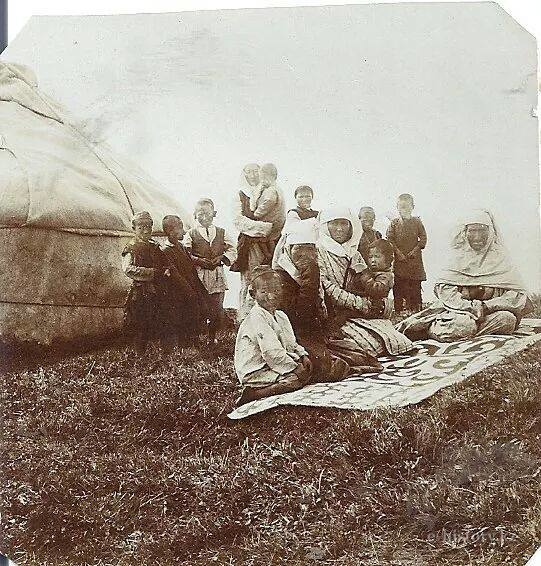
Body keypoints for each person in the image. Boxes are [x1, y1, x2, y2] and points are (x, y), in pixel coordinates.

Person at [397, 210, 533, 342]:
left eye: (482, 230)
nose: (477, 237)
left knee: (507, 320)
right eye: (472, 231)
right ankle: (433, 329)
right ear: (465, 232)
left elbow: (516, 296)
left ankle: (464, 333)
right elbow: (445, 291)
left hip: (489, 313)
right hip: (456, 312)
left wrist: (487, 306)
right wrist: (469, 307)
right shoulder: (457, 257)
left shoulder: (501, 258)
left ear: (490, 232)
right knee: (464, 325)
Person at [318, 206, 414, 369]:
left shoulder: (353, 252)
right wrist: (362, 304)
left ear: (351, 226)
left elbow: (367, 278)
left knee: (391, 339)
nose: (339, 229)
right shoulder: (319, 251)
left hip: (356, 311)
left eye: (344, 223)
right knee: (359, 344)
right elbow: (328, 287)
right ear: (326, 226)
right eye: (334, 223)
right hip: (335, 310)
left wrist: (376, 302)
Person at [234, 266, 313, 406]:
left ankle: (279, 379)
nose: (271, 296)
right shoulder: (257, 316)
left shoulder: (281, 315)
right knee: (294, 380)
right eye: (264, 291)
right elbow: (270, 351)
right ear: (253, 294)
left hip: (272, 364)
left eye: (276, 290)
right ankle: (254, 394)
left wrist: (302, 355)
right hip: (255, 369)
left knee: (308, 372)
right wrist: (294, 368)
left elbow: (291, 343)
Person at [232, 163, 286, 321]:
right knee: (251, 279)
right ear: (244, 175)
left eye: (256, 171)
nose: (253, 175)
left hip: (271, 242)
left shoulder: (270, 191)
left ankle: (270, 317)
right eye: (249, 172)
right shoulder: (241, 195)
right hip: (251, 243)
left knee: (271, 278)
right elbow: (238, 220)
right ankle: (247, 319)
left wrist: (273, 229)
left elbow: (279, 214)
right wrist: (265, 227)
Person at [272, 185, 324, 335]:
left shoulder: (317, 213)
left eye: (307, 196)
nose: (304, 199)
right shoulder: (293, 213)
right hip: (296, 246)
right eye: (301, 196)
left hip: (313, 246)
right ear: (296, 198)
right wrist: (313, 225)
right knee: (297, 280)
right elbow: (295, 229)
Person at [184, 198, 237, 344]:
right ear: (195, 215)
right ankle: (196, 336)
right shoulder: (191, 233)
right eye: (200, 214)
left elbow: (233, 249)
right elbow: (185, 253)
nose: (204, 217)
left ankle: (212, 337)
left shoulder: (221, 232)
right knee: (199, 304)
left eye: (207, 213)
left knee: (217, 305)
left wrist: (222, 257)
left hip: (217, 274)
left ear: (214, 213)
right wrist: (198, 260)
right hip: (199, 274)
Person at [121, 211, 170, 350]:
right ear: (134, 229)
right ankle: (140, 352)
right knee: (140, 321)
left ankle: (159, 350)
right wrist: (151, 273)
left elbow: (164, 262)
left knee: (158, 318)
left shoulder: (155, 246)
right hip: (141, 290)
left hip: (157, 288)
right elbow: (128, 268)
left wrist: (166, 270)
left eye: (148, 227)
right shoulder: (131, 247)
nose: (146, 230)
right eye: (141, 227)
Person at [161, 215, 209, 345]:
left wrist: (197, 286)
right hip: (179, 289)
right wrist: (188, 290)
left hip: (190, 284)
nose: (183, 231)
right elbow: (174, 273)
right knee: (183, 314)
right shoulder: (166, 251)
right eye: (180, 228)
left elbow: (190, 263)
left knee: (194, 311)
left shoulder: (181, 246)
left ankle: (194, 339)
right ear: (170, 231)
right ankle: (185, 343)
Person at [386, 193, 427, 314]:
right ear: (397, 207)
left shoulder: (417, 222)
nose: (404, 209)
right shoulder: (394, 223)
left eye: (407, 207)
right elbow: (389, 239)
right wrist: (398, 253)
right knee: (399, 284)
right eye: (401, 207)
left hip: (414, 261)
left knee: (415, 285)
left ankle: (416, 308)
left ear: (412, 207)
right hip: (400, 261)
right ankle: (399, 309)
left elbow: (423, 238)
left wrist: (415, 250)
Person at [347, 239, 395, 317]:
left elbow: (376, 291)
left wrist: (365, 275)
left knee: (344, 314)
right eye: (370, 257)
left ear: (388, 259)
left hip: (374, 308)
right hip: (365, 304)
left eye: (377, 256)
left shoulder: (386, 276)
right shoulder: (372, 271)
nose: (373, 260)